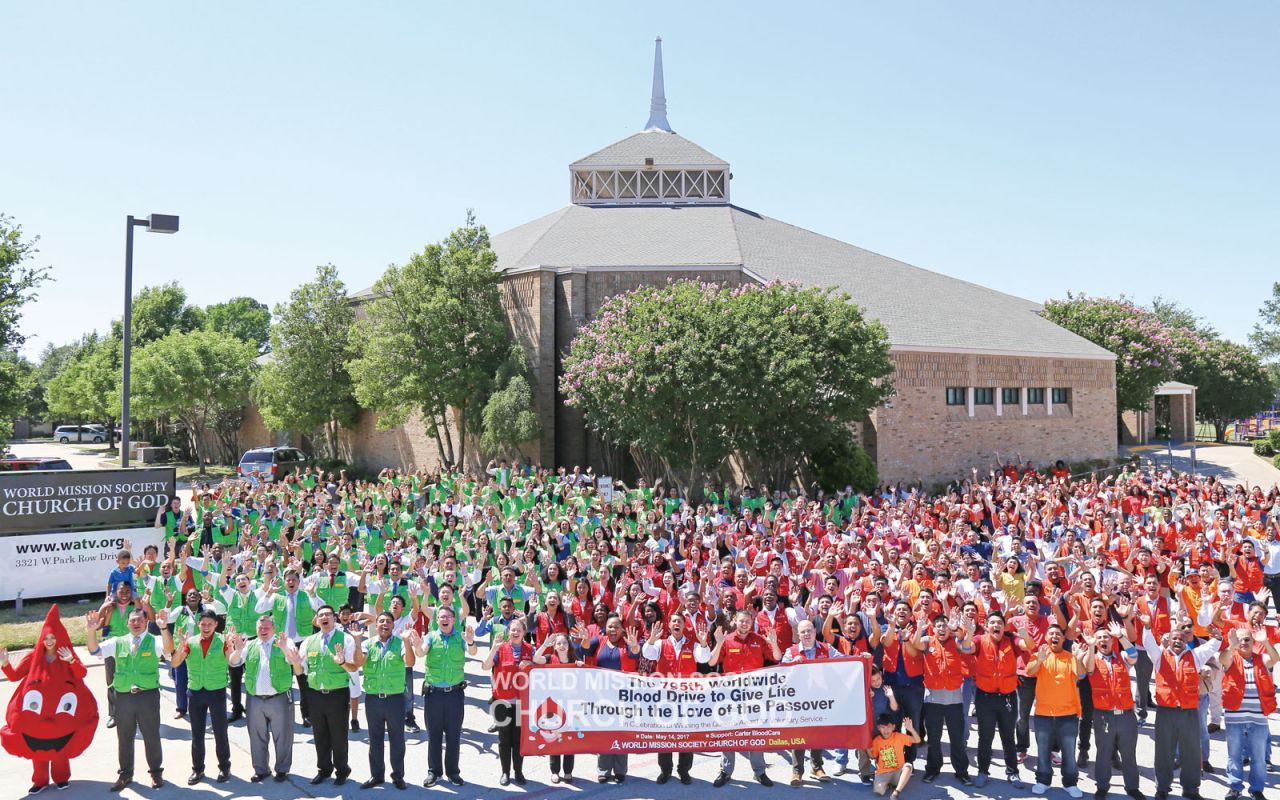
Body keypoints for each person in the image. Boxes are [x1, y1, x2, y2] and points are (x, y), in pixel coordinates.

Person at [86, 606, 168, 793]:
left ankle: (156, 772)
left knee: (151, 735)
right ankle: (125, 773)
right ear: (127, 623)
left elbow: (168, 649)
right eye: (133, 620)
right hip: (123, 697)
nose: (136, 623)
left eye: (140, 620)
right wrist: (91, 631)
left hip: (147, 696)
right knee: (124, 737)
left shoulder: (154, 640)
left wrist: (164, 629)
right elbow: (94, 651)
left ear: (146, 622)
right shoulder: (117, 642)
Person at [1141, 617, 1221, 800]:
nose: (1177, 641)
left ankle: (1191, 789)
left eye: (1181, 639)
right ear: (1169, 640)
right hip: (1166, 711)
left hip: (1189, 711)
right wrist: (1147, 626)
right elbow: (1148, 643)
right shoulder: (1159, 656)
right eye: (1174, 638)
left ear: (1186, 642)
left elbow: (1211, 647)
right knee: (1164, 750)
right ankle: (1162, 787)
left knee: (1192, 751)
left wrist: (1218, 638)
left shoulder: (1195, 656)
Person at [708, 608, 781, 787]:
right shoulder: (726, 639)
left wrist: (774, 642)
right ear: (735, 620)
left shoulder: (759, 640)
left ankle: (760, 772)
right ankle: (726, 771)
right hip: (730, 696)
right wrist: (718, 643)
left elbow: (777, 658)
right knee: (729, 734)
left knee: (754, 733)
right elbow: (711, 662)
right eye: (741, 621)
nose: (744, 624)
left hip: (754, 696)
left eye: (748, 621)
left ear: (752, 623)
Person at [167, 609, 237, 785]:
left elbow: (232, 662)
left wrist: (233, 647)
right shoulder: (190, 642)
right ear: (198, 624)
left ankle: (224, 767)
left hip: (217, 692)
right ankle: (198, 770)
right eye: (203, 624)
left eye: (210, 624)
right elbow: (175, 663)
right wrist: (181, 647)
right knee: (197, 734)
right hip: (196, 692)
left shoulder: (223, 641)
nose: (206, 627)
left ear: (216, 625)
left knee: (220, 732)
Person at [640, 614, 711, 784]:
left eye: (680, 621)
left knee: (686, 735)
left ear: (685, 625)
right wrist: (651, 639)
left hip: (687, 699)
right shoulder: (659, 643)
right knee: (665, 735)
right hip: (665, 699)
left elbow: (704, 658)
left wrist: (703, 642)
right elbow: (648, 654)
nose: (677, 623)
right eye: (674, 621)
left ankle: (684, 770)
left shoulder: (693, 644)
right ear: (669, 625)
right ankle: (665, 771)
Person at [413, 605, 477, 787]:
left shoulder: (461, 637)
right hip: (433, 695)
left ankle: (453, 772)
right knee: (433, 735)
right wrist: (417, 645)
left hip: (455, 695)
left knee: (453, 735)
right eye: (441, 616)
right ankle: (434, 772)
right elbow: (421, 652)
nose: (444, 619)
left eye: (448, 616)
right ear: (437, 620)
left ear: (454, 620)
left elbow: (473, 652)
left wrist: (471, 642)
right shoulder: (431, 637)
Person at [228, 614, 296, 784]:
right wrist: (236, 650)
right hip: (255, 699)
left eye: (266, 628)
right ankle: (261, 769)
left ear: (273, 628)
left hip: (278, 697)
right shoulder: (249, 645)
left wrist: (284, 648)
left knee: (283, 736)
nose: (263, 631)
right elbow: (233, 662)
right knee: (256, 736)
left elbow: (294, 661)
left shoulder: (284, 642)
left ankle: (282, 769)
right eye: (260, 628)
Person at [576, 613, 643, 783]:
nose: (613, 629)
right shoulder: (598, 640)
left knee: (621, 731)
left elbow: (635, 654)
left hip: (623, 695)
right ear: (606, 628)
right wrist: (584, 639)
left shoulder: (627, 641)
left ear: (622, 629)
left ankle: (620, 770)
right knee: (604, 732)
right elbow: (584, 650)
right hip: (601, 696)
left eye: (616, 627)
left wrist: (635, 646)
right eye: (610, 626)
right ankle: (604, 770)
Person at [296, 604, 358, 786]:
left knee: (338, 735)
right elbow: (300, 668)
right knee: (320, 734)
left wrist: (342, 662)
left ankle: (342, 770)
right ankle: (324, 769)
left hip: (337, 694)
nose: (324, 618)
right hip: (315, 694)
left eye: (328, 615)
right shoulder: (309, 641)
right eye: (320, 615)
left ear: (335, 618)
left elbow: (353, 667)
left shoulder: (345, 639)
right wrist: (294, 661)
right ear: (317, 620)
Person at [1081, 623, 1144, 800]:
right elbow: (1088, 668)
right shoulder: (1092, 657)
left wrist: (1121, 636)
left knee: (1128, 753)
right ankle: (1102, 786)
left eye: (1106, 637)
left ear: (1112, 640)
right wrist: (1091, 646)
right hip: (1103, 715)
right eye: (1099, 637)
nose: (1103, 640)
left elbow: (1134, 656)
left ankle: (1132, 787)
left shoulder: (1122, 657)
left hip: (1126, 715)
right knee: (1103, 752)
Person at [356, 611, 418, 790]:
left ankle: (398, 776)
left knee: (397, 739)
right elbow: (359, 662)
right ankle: (376, 775)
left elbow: (410, 662)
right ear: (376, 625)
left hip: (395, 700)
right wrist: (358, 641)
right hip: (373, 699)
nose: (385, 624)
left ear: (393, 625)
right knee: (375, 739)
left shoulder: (400, 643)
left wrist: (407, 641)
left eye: (388, 622)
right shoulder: (368, 643)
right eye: (381, 621)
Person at [1026, 624, 1085, 798]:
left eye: (1058, 634)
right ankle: (1043, 780)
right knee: (1043, 750)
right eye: (1051, 633)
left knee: (1069, 752)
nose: (1055, 636)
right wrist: (1039, 660)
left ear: (1063, 639)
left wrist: (1078, 658)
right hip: (1044, 714)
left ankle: (1070, 782)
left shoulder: (1070, 657)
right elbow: (1030, 671)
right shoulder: (1040, 654)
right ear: (1046, 638)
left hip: (1068, 714)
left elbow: (1081, 675)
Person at [1219, 626, 1277, 800]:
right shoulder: (1231, 657)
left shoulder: (1262, 658)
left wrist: (1265, 641)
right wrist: (1231, 645)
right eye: (1241, 639)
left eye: (1247, 639)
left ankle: (1257, 789)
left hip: (1258, 718)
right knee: (1234, 755)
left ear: (1253, 642)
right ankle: (1235, 787)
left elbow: (1276, 658)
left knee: (1259, 758)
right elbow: (1223, 658)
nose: (1244, 642)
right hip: (1234, 717)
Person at [916, 613, 975, 786]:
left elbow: (966, 646)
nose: (942, 629)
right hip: (933, 699)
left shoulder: (955, 642)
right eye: (939, 626)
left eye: (945, 626)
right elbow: (916, 644)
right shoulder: (927, 641)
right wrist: (919, 627)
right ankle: (933, 769)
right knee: (934, 738)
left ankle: (962, 771)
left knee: (956, 738)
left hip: (954, 699)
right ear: (933, 629)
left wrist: (968, 631)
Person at [972, 610, 1028, 789]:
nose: (996, 625)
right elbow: (967, 648)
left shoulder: (1012, 640)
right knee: (985, 737)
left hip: (1008, 697)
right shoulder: (980, 640)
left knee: (1008, 737)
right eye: (992, 623)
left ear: (1004, 627)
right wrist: (965, 633)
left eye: (1000, 623)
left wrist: (1024, 633)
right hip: (985, 697)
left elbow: (1027, 645)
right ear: (987, 626)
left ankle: (1013, 773)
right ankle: (983, 772)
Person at [780, 619, 834, 786]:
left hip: (820, 700)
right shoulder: (791, 651)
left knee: (819, 733)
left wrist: (861, 658)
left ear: (815, 631)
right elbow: (782, 676)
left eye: (809, 630)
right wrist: (792, 666)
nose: (806, 634)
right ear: (798, 634)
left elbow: (847, 662)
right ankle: (797, 771)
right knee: (799, 735)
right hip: (799, 701)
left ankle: (817, 767)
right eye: (803, 632)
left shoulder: (827, 648)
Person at [482, 615, 533, 786]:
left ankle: (518, 771)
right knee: (504, 740)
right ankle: (505, 772)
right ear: (508, 632)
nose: (516, 632)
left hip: (521, 703)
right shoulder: (501, 648)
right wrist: (494, 648)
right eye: (513, 630)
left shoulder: (530, 650)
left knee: (518, 740)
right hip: (502, 701)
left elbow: (540, 669)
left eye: (519, 630)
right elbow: (485, 666)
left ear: (524, 632)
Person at [534, 631, 585, 783]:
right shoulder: (550, 658)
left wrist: (581, 666)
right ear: (554, 646)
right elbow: (536, 659)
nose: (562, 646)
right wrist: (545, 644)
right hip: (554, 705)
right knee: (555, 737)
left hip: (570, 705)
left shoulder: (574, 660)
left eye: (564, 643)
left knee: (569, 738)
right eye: (558, 643)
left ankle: (568, 771)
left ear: (569, 645)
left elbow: (584, 678)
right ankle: (554, 771)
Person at [868, 713, 921, 799]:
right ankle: (889, 784)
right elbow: (873, 757)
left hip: (898, 771)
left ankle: (896, 792)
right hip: (884, 772)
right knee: (878, 791)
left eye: (888, 727)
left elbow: (917, 740)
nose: (886, 730)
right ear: (878, 728)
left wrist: (911, 729)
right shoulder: (876, 741)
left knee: (908, 766)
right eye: (883, 727)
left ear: (893, 727)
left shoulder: (898, 737)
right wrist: (867, 749)